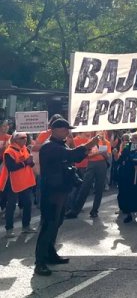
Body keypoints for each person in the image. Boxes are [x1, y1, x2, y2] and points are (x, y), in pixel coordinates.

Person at [35, 118, 99, 276]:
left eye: (67, 129)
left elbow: (74, 158)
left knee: (56, 224)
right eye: (64, 129)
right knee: (48, 225)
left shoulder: (59, 144)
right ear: (54, 130)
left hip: (61, 190)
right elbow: (71, 155)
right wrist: (89, 145)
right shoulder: (49, 146)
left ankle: (50, 254)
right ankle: (40, 262)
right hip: (52, 192)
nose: (67, 131)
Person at [66, 132, 111, 219]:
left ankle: (94, 210)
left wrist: (102, 147)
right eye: (98, 132)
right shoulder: (90, 142)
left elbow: (107, 156)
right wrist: (98, 152)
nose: (100, 134)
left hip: (102, 164)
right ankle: (75, 211)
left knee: (99, 188)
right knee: (84, 186)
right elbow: (87, 155)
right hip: (91, 164)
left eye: (102, 132)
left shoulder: (107, 143)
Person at [0, 132, 37, 238]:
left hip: (25, 182)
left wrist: (30, 162)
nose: (25, 139)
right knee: (11, 206)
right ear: (15, 140)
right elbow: (12, 167)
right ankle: (9, 229)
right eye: (22, 138)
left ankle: (26, 226)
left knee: (28, 204)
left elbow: (30, 163)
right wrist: (26, 162)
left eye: (26, 137)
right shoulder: (9, 152)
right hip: (13, 183)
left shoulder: (25, 148)